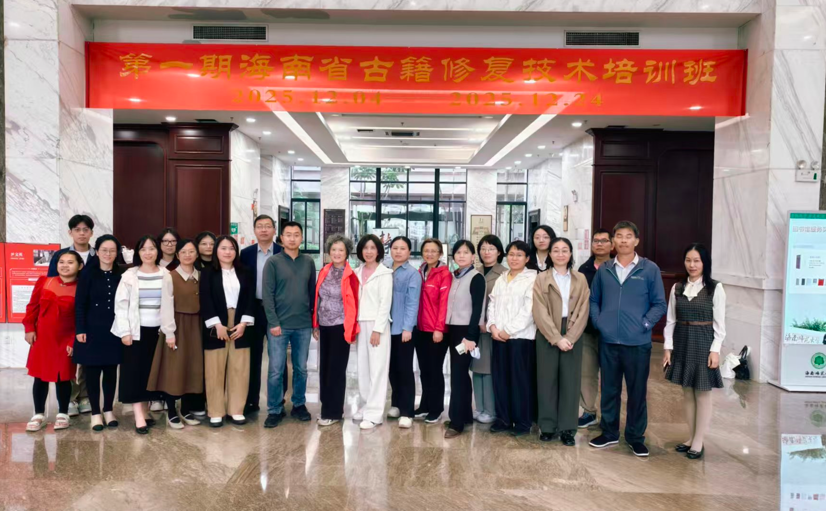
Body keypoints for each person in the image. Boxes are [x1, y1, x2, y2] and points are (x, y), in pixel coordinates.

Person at [588, 221, 667, 457]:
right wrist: (599, 323)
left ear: (636, 241)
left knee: (637, 392)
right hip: (609, 341)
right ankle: (609, 432)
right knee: (609, 390)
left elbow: (659, 304)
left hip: (638, 343)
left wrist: (644, 324)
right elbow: (594, 300)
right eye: (619, 236)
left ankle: (635, 437)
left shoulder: (649, 269)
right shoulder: (605, 269)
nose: (623, 240)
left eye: (628, 236)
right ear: (613, 241)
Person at [663, 243, 725, 460]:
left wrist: (715, 350)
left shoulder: (715, 288)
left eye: (697, 261)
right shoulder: (677, 288)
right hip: (682, 341)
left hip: (703, 342)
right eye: (688, 260)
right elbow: (671, 320)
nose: (692, 265)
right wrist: (668, 348)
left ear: (704, 263)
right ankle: (691, 437)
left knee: (702, 392)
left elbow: (720, 325)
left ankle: (699, 440)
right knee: (687, 392)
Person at [112, 235, 176, 434]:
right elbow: (121, 306)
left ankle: (146, 411)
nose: (148, 253)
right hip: (135, 332)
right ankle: (139, 416)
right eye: (143, 249)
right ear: (138, 253)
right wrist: (125, 331)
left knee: (151, 373)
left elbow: (170, 305)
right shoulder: (130, 275)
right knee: (135, 374)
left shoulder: (166, 274)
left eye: (152, 248)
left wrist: (170, 331)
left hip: (157, 332)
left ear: (158, 251)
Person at [533, 237, 591, 445]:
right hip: (547, 332)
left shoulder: (580, 278)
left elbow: (584, 309)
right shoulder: (541, 278)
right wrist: (556, 338)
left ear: (570, 254)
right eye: (556, 250)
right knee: (546, 380)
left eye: (564, 250)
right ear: (550, 254)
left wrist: (571, 336)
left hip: (573, 331)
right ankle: (547, 426)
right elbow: (539, 310)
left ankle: (568, 428)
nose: (560, 254)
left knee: (570, 381)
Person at [262, 221, 316, 428]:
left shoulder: (308, 261)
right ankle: (274, 409)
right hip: (279, 326)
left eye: (296, 234)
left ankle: (299, 404)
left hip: (303, 325)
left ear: (301, 238)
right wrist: (273, 322)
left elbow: (312, 293)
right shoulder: (273, 262)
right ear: (281, 238)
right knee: (276, 370)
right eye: (288, 235)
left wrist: (313, 322)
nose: (292, 238)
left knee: (301, 368)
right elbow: (267, 295)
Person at [147, 239, 205, 429]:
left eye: (191, 251)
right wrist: (169, 332)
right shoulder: (169, 276)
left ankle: (186, 409)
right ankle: (172, 411)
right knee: (173, 369)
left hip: (196, 326)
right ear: (178, 255)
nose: (188, 255)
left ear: (196, 254)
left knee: (192, 367)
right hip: (177, 325)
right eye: (184, 252)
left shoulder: (201, 276)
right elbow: (166, 305)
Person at [24, 252, 84, 432]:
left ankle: (63, 413)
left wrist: (73, 341)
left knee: (63, 377)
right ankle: (38, 414)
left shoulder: (82, 288)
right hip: (42, 338)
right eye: (61, 262)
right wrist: (29, 328)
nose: (65, 265)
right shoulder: (44, 282)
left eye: (70, 262)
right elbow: (32, 307)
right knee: (40, 376)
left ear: (80, 266)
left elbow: (81, 318)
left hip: (65, 339)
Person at [199, 236, 255, 427]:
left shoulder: (245, 272)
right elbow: (205, 299)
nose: (227, 252)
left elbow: (250, 298)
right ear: (216, 250)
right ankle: (215, 411)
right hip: (217, 323)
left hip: (240, 322)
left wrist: (244, 323)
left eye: (231, 248)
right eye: (223, 248)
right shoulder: (208, 272)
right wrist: (217, 325)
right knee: (214, 368)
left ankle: (236, 410)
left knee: (240, 367)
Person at [49, 214, 99, 417]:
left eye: (85, 229)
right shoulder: (60, 255)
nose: (81, 233)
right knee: (66, 356)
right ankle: (70, 397)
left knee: (87, 355)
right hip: (66, 313)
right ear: (70, 232)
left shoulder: (98, 255)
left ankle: (85, 396)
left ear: (91, 233)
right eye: (77, 229)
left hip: (92, 314)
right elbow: (51, 283)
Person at [487, 240, 538, 437]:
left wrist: (508, 330)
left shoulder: (532, 278)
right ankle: (503, 419)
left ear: (527, 258)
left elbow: (529, 310)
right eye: (511, 254)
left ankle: (523, 422)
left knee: (520, 381)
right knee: (500, 379)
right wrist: (493, 326)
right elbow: (492, 303)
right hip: (498, 336)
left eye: (519, 255)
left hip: (520, 338)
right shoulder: (502, 278)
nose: (514, 258)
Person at [74, 235, 123, 431]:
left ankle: (108, 410)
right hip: (92, 329)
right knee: (92, 372)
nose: (108, 254)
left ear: (117, 253)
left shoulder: (122, 274)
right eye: (104, 250)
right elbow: (80, 304)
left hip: (115, 330)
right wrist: (80, 329)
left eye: (112, 250)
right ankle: (95, 412)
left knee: (111, 372)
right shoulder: (88, 273)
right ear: (97, 251)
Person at [239, 214, 285, 415]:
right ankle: (251, 400)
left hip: (278, 310)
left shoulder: (283, 252)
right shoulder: (245, 254)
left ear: (274, 230)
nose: (264, 230)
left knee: (278, 357)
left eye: (268, 226)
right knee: (253, 356)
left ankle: (279, 398)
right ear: (255, 230)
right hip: (253, 309)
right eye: (260, 226)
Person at [313, 234, 360, 426]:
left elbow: (354, 304)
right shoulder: (324, 270)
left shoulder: (351, 275)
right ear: (329, 252)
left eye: (341, 250)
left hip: (341, 327)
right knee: (324, 368)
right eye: (334, 249)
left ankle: (334, 412)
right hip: (324, 326)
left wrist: (352, 330)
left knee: (336, 370)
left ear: (347, 253)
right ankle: (327, 408)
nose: (337, 253)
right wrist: (316, 324)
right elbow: (318, 298)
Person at [444, 240, 486, 439]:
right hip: (452, 330)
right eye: (458, 252)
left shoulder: (476, 278)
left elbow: (477, 309)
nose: (461, 256)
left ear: (473, 256)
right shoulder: (455, 276)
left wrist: (471, 336)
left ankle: (456, 422)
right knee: (460, 374)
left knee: (458, 376)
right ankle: (466, 415)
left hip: (465, 332)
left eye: (465, 252)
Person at [353, 234, 394, 430]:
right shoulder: (356, 272)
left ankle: (375, 414)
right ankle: (366, 404)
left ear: (378, 251)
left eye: (372, 248)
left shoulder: (385, 274)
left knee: (378, 369)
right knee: (363, 367)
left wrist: (378, 329)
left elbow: (385, 303)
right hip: (360, 323)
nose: (368, 252)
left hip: (378, 325)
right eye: (365, 248)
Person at [576, 228, 613, 429]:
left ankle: (609, 415)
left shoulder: (617, 267)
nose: (599, 244)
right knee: (587, 372)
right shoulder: (584, 269)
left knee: (610, 374)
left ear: (611, 245)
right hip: (588, 329)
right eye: (596, 241)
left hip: (612, 331)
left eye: (603, 240)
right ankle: (589, 411)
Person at [413, 238, 452, 424]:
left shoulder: (444, 274)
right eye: (426, 250)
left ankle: (436, 409)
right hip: (420, 329)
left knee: (435, 370)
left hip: (436, 331)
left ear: (440, 254)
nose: (429, 254)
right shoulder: (421, 271)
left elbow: (444, 304)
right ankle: (425, 405)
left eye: (433, 251)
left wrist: (439, 328)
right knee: (424, 370)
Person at [385, 236, 422, 429]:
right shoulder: (384, 269)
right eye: (395, 248)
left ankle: (407, 411)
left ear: (409, 252)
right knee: (391, 368)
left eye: (402, 248)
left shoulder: (412, 274)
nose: (398, 251)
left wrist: (408, 327)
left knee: (405, 369)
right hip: (385, 329)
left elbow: (412, 303)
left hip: (402, 329)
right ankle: (396, 404)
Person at [473, 234, 506, 424]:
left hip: (493, 329)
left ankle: (491, 410)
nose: (487, 252)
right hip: (474, 328)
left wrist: (489, 323)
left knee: (488, 369)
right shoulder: (475, 272)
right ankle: (479, 407)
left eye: (491, 249)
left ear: (499, 252)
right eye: (483, 249)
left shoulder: (504, 273)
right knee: (476, 367)